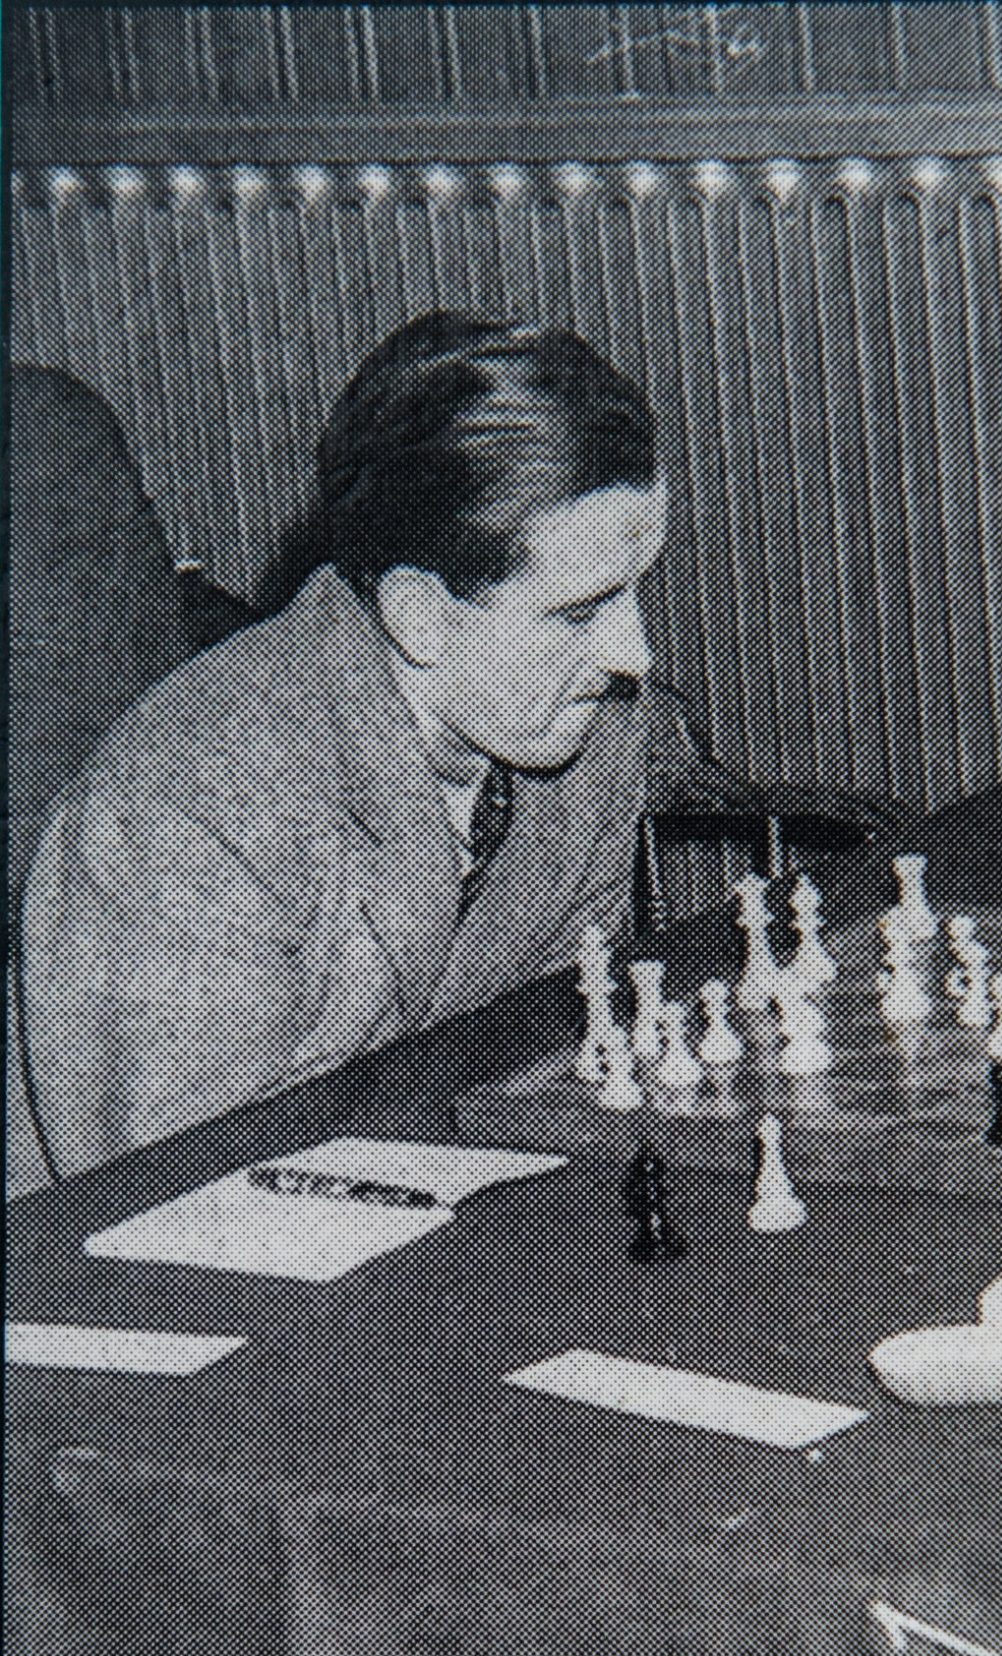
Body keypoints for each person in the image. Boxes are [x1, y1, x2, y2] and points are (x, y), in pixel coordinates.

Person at [17, 311, 668, 1183]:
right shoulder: (190, 807)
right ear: (420, 617)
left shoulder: (581, 732)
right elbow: (179, 1204)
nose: (636, 656)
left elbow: (545, 1049)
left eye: (633, 593)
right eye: (582, 611)